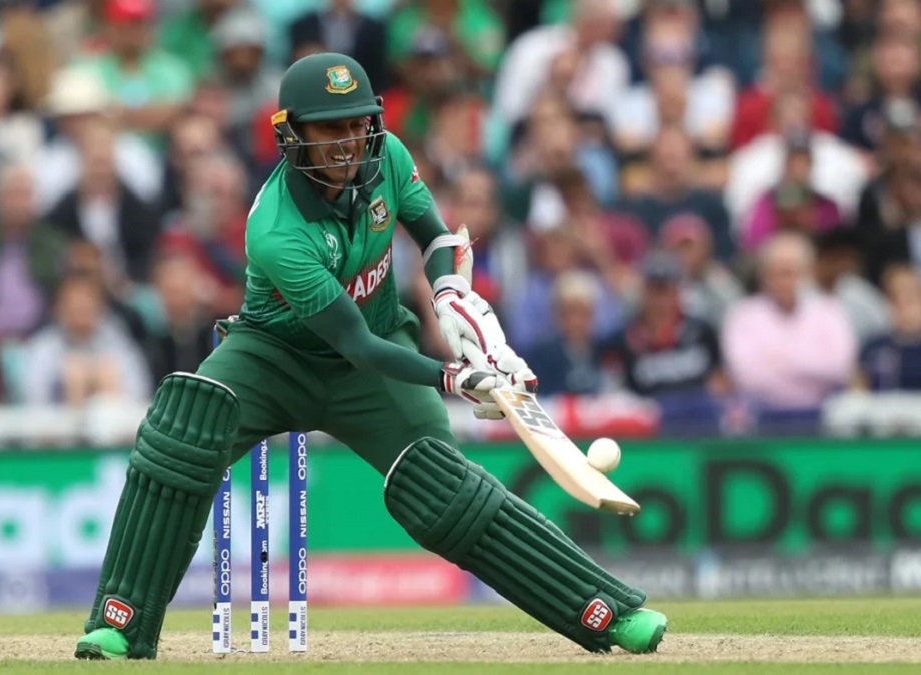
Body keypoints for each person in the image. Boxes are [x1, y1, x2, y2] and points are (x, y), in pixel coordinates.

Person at [72, 53, 668, 662]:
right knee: (183, 430)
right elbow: (353, 342)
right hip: (272, 358)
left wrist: (448, 292)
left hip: (379, 355)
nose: (349, 141)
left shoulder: (389, 157)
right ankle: (121, 623)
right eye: (330, 128)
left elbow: (435, 237)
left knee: (441, 487)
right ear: (291, 135)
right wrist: (454, 377)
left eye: (357, 123)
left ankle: (607, 611)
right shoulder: (277, 230)